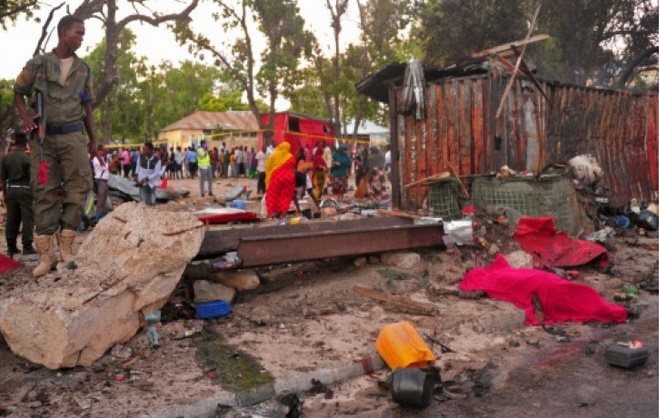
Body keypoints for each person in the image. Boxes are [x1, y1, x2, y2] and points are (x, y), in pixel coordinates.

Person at [13, 15, 96, 277]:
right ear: (63, 33)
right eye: (78, 33)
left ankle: (67, 249)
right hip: (43, 138)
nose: (82, 38)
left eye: (83, 34)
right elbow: (18, 91)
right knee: (44, 189)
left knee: (79, 187)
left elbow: (87, 106)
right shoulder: (37, 64)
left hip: (73, 136)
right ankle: (46, 255)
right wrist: (26, 117)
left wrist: (93, 140)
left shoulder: (83, 69)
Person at [0, 131, 35, 258]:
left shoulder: (6, 157)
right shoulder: (27, 158)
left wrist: (4, 193)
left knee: (12, 219)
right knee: (27, 219)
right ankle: (27, 246)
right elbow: (32, 178)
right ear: (25, 142)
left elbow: (3, 179)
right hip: (25, 190)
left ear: (15, 141)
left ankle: (11, 247)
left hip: (11, 190)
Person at [265, 142, 296, 218]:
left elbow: (267, 165)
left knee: (272, 194)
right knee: (285, 195)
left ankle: (272, 213)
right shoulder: (290, 156)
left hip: (277, 176)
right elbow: (294, 166)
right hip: (289, 177)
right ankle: (283, 213)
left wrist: (269, 173)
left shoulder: (274, 154)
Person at [135, 141, 161, 206]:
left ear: (150, 150)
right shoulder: (140, 157)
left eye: (145, 149)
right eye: (143, 149)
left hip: (152, 182)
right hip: (142, 182)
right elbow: (137, 168)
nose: (143, 150)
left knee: (152, 201)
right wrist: (137, 177)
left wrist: (145, 179)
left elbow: (156, 173)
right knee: (143, 202)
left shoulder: (157, 159)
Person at [91, 144, 110, 217]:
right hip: (100, 180)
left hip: (104, 180)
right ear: (99, 151)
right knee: (101, 199)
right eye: (104, 150)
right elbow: (107, 168)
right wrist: (114, 160)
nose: (105, 152)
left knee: (104, 198)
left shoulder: (103, 158)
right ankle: (98, 215)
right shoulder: (96, 159)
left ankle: (101, 213)